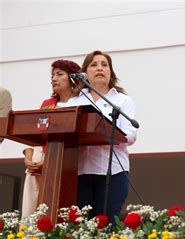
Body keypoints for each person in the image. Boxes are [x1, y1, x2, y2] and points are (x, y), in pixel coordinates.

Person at [67, 50, 137, 223]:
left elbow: (130, 134)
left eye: (104, 65)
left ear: (110, 72)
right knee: (82, 228)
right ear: (85, 73)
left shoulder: (122, 101)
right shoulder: (74, 102)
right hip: (80, 173)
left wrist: (103, 132)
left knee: (107, 226)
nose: (100, 68)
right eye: (94, 65)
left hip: (113, 172)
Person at [21, 60, 81, 217]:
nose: (53, 78)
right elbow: (33, 135)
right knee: (31, 213)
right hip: (37, 162)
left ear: (73, 78)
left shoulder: (80, 104)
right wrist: (28, 158)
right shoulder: (47, 104)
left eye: (60, 74)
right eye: (52, 75)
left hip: (65, 164)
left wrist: (48, 164)